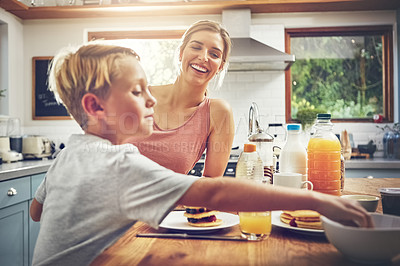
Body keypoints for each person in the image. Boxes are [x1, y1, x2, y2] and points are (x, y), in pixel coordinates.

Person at [30, 42, 373, 266]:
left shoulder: (71, 153)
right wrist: (318, 202)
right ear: (96, 106)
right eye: (137, 91)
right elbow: (216, 191)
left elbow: (36, 210)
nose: (151, 99)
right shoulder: (119, 163)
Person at [130, 20, 234, 176]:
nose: (203, 57)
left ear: (220, 66)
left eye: (214, 54)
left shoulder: (219, 113)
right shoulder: (139, 95)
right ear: (180, 53)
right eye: (196, 47)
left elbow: (211, 184)